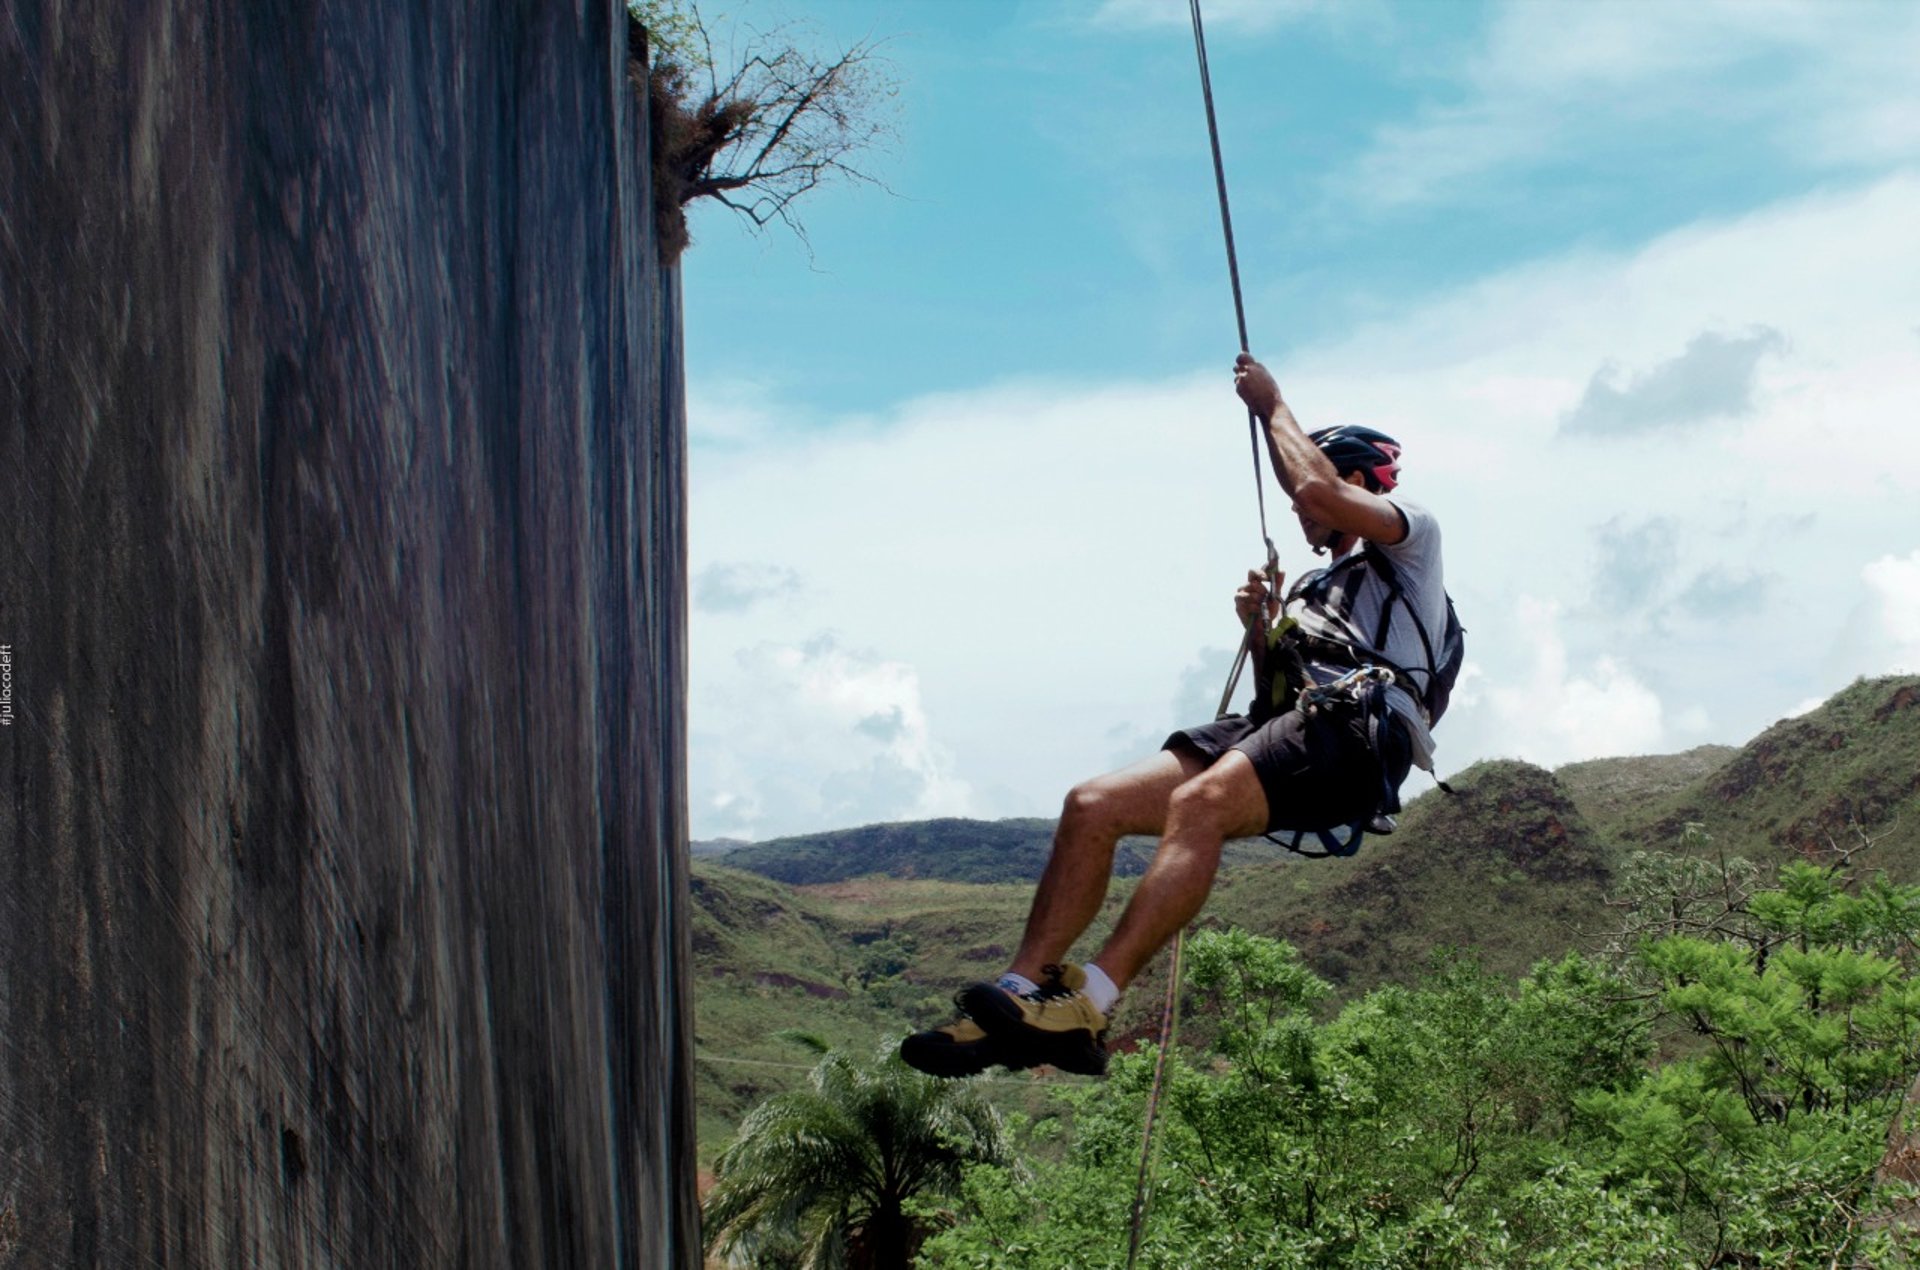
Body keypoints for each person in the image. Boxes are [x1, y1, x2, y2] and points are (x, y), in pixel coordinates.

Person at [900, 352, 1450, 1078]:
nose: (1301, 511)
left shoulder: (1412, 538)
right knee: (1092, 805)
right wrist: (1263, 632)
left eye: (1311, 504)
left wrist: (1270, 403)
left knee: (1200, 803)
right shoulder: (1321, 589)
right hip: (1305, 724)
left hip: (1359, 737)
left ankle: (1090, 1004)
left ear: (1358, 483)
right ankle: (1021, 995)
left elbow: (1313, 480)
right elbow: (1270, 712)